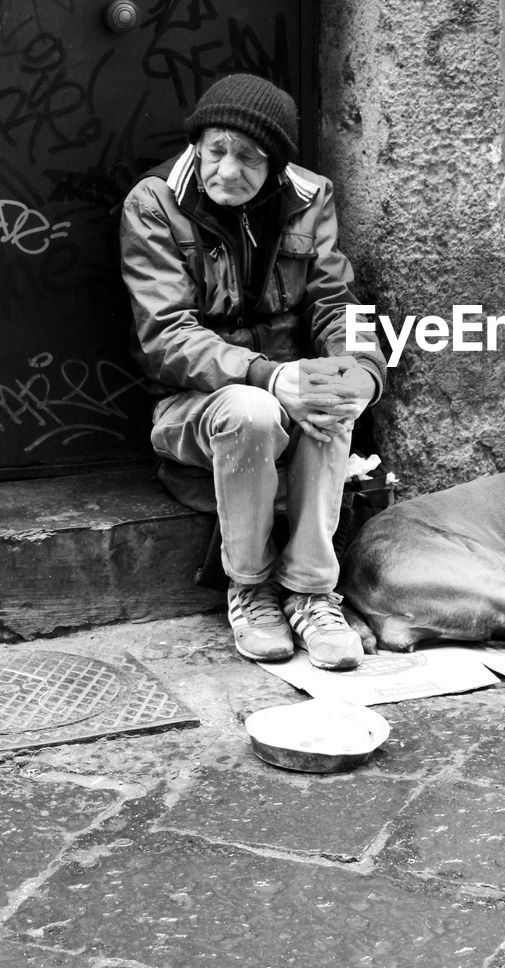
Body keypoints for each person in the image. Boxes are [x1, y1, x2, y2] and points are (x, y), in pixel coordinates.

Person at [120, 73, 385, 670]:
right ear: (197, 145)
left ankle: (313, 591)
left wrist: (363, 370)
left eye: (249, 158)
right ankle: (251, 587)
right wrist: (267, 376)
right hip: (196, 406)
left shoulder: (309, 198)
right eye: (216, 151)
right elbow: (165, 337)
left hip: (285, 388)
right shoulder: (154, 203)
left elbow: (339, 304)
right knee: (253, 408)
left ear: (277, 165)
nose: (228, 171)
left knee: (329, 391)